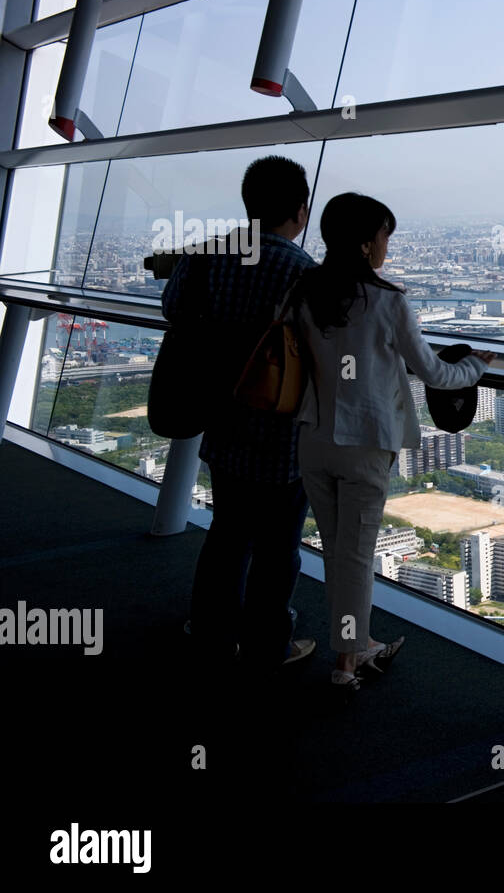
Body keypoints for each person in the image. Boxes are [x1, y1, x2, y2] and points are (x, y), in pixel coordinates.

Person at [293, 192, 495, 693]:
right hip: (364, 445)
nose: (387, 246)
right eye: (384, 236)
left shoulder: (304, 293)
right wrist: (478, 365)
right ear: (365, 244)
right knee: (355, 556)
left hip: (313, 438)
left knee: (337, 552)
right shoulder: (387, 301)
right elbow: (435, 372)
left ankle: (352, 646)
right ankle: (348, 660)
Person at [161, 155, 319, 672]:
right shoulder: (302, 272)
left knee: (227, 535)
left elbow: (174, 311)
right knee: (278, 550)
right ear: (301, 211)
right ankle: (266, 645)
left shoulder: (209, 254)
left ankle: (210, 632)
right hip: (282, 432)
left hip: (220, 416)